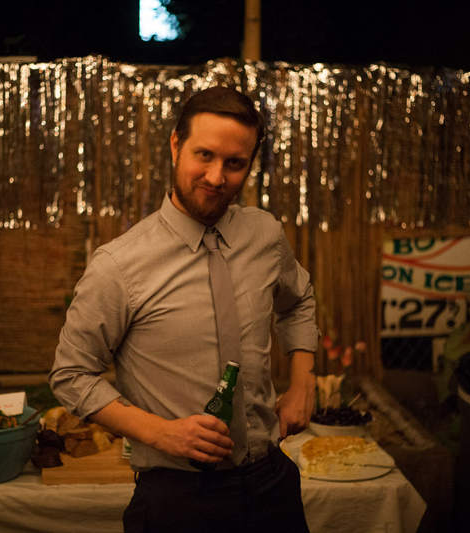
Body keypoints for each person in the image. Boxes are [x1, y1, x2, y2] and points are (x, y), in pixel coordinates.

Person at [50, 86, 319, 533]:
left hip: (272, 485)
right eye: (204, 155)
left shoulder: (265, 235)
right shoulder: (118, 265)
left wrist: (303, 379)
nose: (216, 177)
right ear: (176, 145)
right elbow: (71, 375)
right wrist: (161, 432)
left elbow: (298, 300)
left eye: (235, 163)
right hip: (177, 500)